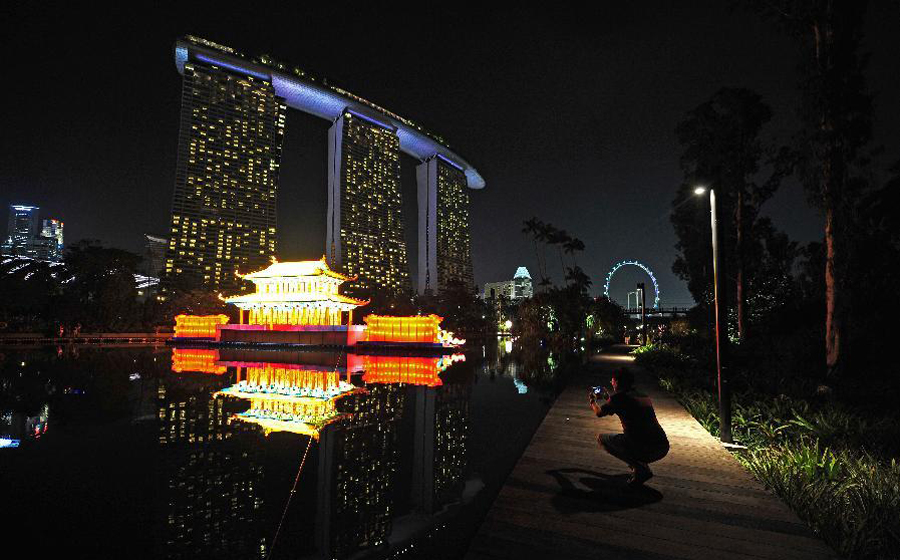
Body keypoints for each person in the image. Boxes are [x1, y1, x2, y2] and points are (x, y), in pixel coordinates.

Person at [589, 367, 669, 486]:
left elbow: (599, 412)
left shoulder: (618, 399)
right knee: (631, 439)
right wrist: (608, 397)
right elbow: (625, 403)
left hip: (645, 448)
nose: (611, 383)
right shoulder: (643, 396)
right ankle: (641, 467)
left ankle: (640, 468)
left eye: (612, 381)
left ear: (617, 382)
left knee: (602, 439)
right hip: (662, 446)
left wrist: (592, 401)